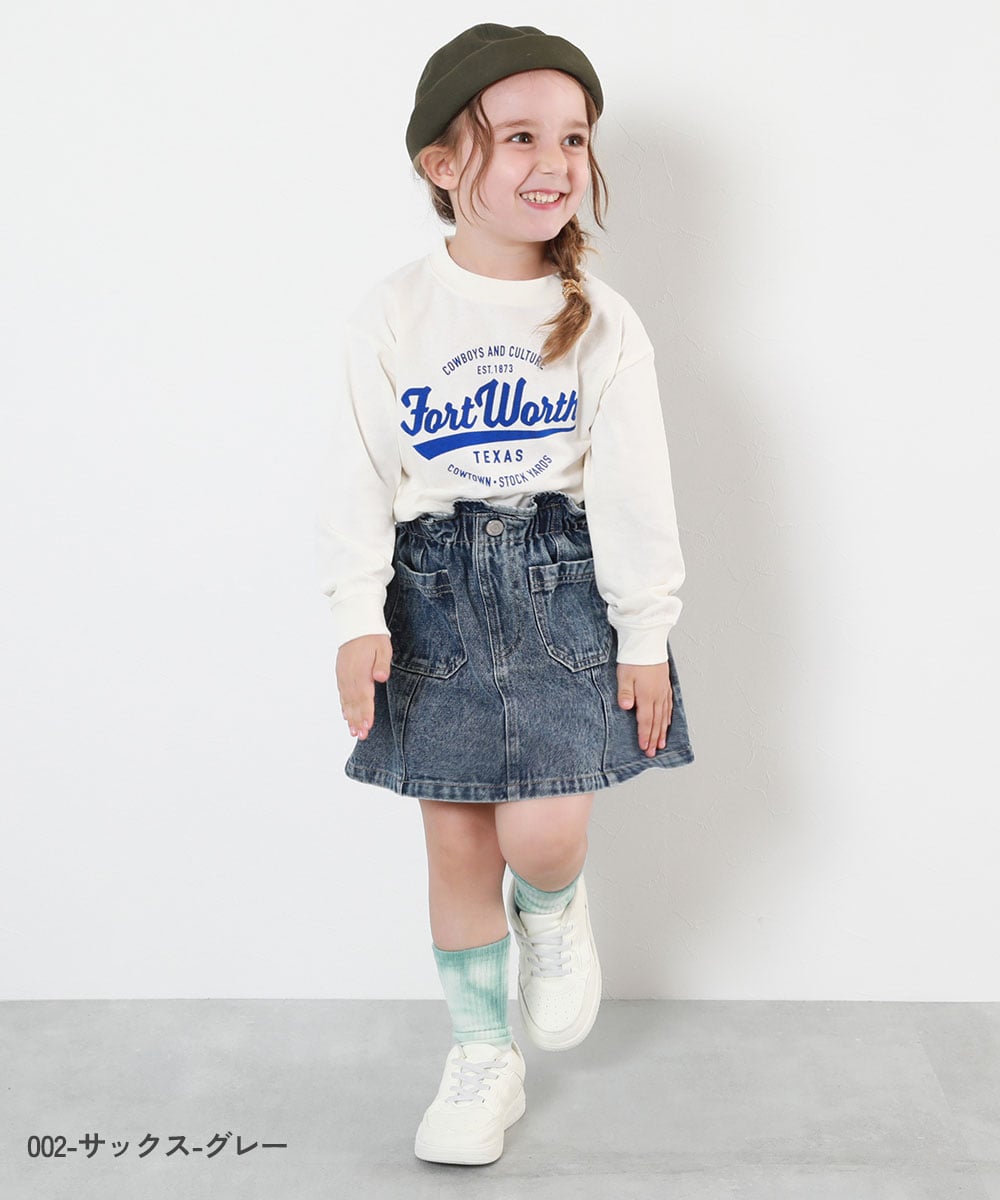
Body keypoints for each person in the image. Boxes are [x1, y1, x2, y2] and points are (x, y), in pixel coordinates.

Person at [315, 22, 695, 1167]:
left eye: (572, 138)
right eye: (519, 135)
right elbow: (356, 474)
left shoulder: (602, 320)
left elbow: (634, 490)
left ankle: (554, 908)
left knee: (542, 832)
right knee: (455, 846)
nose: (554, 160)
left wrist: (645, 633)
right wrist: (355, 618)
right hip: (429, 594)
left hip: (561, 587)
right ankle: (484, 1056)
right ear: (441, 162)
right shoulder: (393, 310)